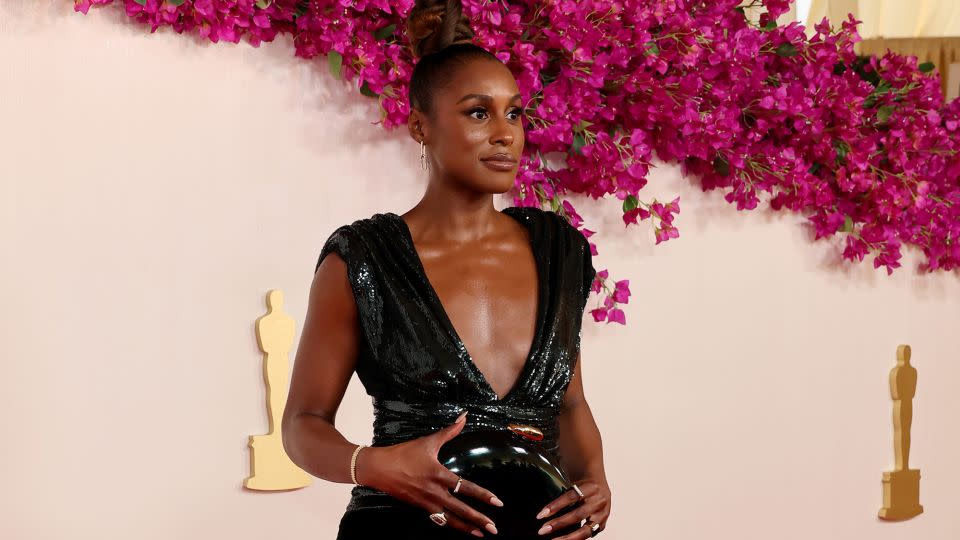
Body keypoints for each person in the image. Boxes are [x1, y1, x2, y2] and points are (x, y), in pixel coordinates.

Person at [281, 1, 612, 538]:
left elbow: (570, 403)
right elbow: (301, 427)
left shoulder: (560, 250)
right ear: (420, 126)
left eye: (515, 113)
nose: (506, 133)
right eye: (478, 112)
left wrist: (593, 481)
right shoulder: (365, 257)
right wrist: (372, 465)